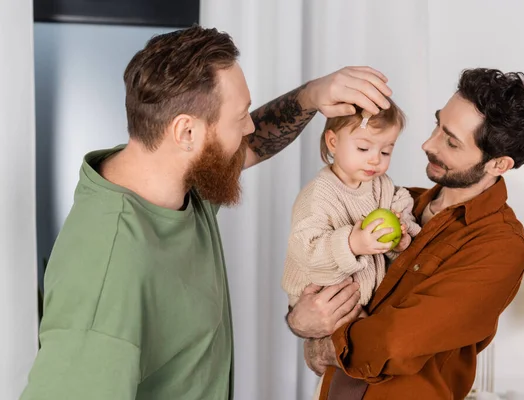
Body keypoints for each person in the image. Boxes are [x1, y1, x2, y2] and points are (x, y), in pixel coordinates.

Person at [20, 25, 390, 400]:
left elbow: (249, 145)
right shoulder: (107, 272)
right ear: (186, 133)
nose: (249, 127)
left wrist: (313, 95)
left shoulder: (168, 177)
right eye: (241, 116)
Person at [286, 68, 524, 400]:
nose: (428, 144)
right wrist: (300, 320)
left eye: (450, 141)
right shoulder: (394, 201)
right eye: (438, 124)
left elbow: (397, 342)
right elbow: (317, 276)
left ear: (499, 165)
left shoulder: (500, 246)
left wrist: (326, 342)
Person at [281, 99, 421, 308]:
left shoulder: (381, 185)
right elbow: (306, 250)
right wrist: (351, 244)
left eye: (385, 152)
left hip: (366, 302)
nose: (375, 159)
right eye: (363, 148)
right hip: (324, 304)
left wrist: (401, 239)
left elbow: (401, 208)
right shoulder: (318, 195)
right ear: (333, 143)